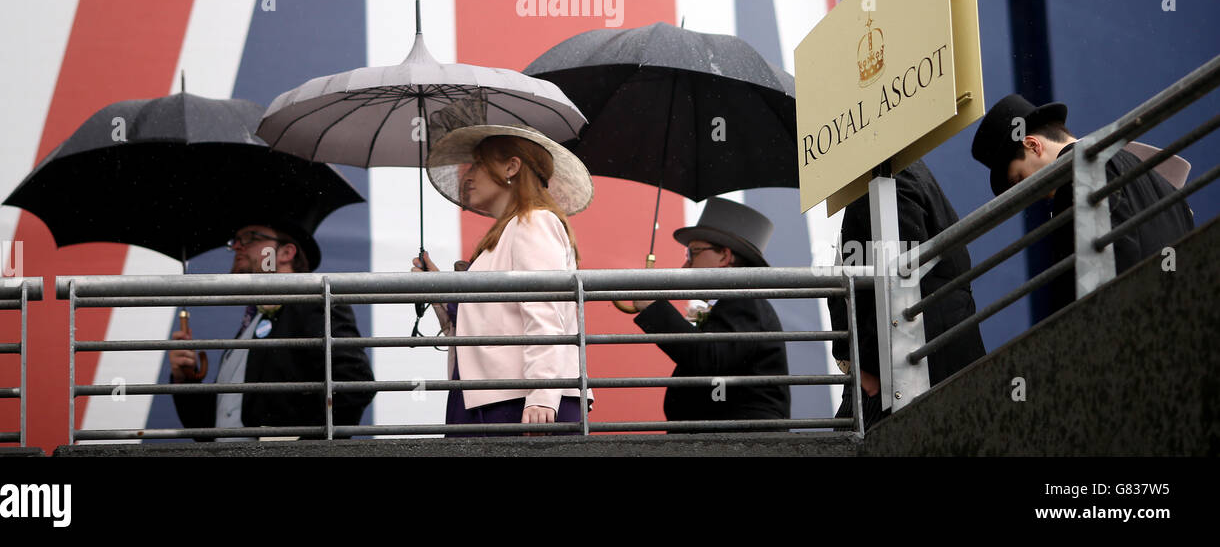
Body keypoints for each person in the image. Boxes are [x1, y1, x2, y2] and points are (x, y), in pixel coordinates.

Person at [413, 124, 593, 435]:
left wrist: (541, 397)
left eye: (480, 163)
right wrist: (438, 291)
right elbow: (489, 322)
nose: (468, 175)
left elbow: (545, 314)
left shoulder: (534, 222)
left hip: (519, 402)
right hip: (499, 397)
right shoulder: (512, 230)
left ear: (512, 166)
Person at [971, 94, 1195, 308]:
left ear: (1032, 145)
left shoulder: (1077, 176)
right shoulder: (1155, 175)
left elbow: (1106, 272)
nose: (1030, 194)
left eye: (1019, 179)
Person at [168, 215, 375, 439]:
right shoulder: (250, 326)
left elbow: (354, 384)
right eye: (235, 240)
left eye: (251, 238)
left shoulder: (314, 304)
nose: (237, 246)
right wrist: (185, 380)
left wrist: (302, 452)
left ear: (286, 253)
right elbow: (212, 426)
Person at [827, 160, 986, 430]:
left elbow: (895, 287)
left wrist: (862, 367)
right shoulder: (906, 176)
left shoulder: (887, 183)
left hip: (896, 383)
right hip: (931, 370)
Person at [628, 197, 791, 429]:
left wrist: (655, 307)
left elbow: (707, 358)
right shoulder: (737, 303)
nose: (685, 266)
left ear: (724, 256)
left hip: (745, 443)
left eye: (692, 254)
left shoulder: (744, 301)